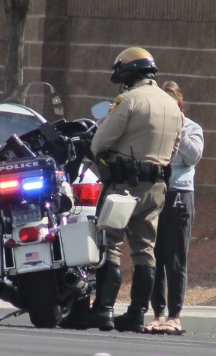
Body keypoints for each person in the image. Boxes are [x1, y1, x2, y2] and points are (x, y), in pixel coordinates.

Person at [63, 46, 183, 332]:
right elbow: (174, 150)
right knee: (145, 250)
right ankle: (136, 314)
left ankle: (103, 309)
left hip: (123, 186)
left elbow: (98, 143)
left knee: (111, 244)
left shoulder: (127, 101)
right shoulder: (172, 106)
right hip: (156, 188)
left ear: (129, 73)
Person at [145, 81, 203, 335]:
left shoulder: (192, 128)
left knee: (175, 256)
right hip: (156, 193)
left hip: (180, 194)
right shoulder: (154, 128)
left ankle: (174, 315)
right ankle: (157, 313)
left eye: (170, 104)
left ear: (179, 104)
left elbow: (193, 157)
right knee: (153, 255)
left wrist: (177, 126)